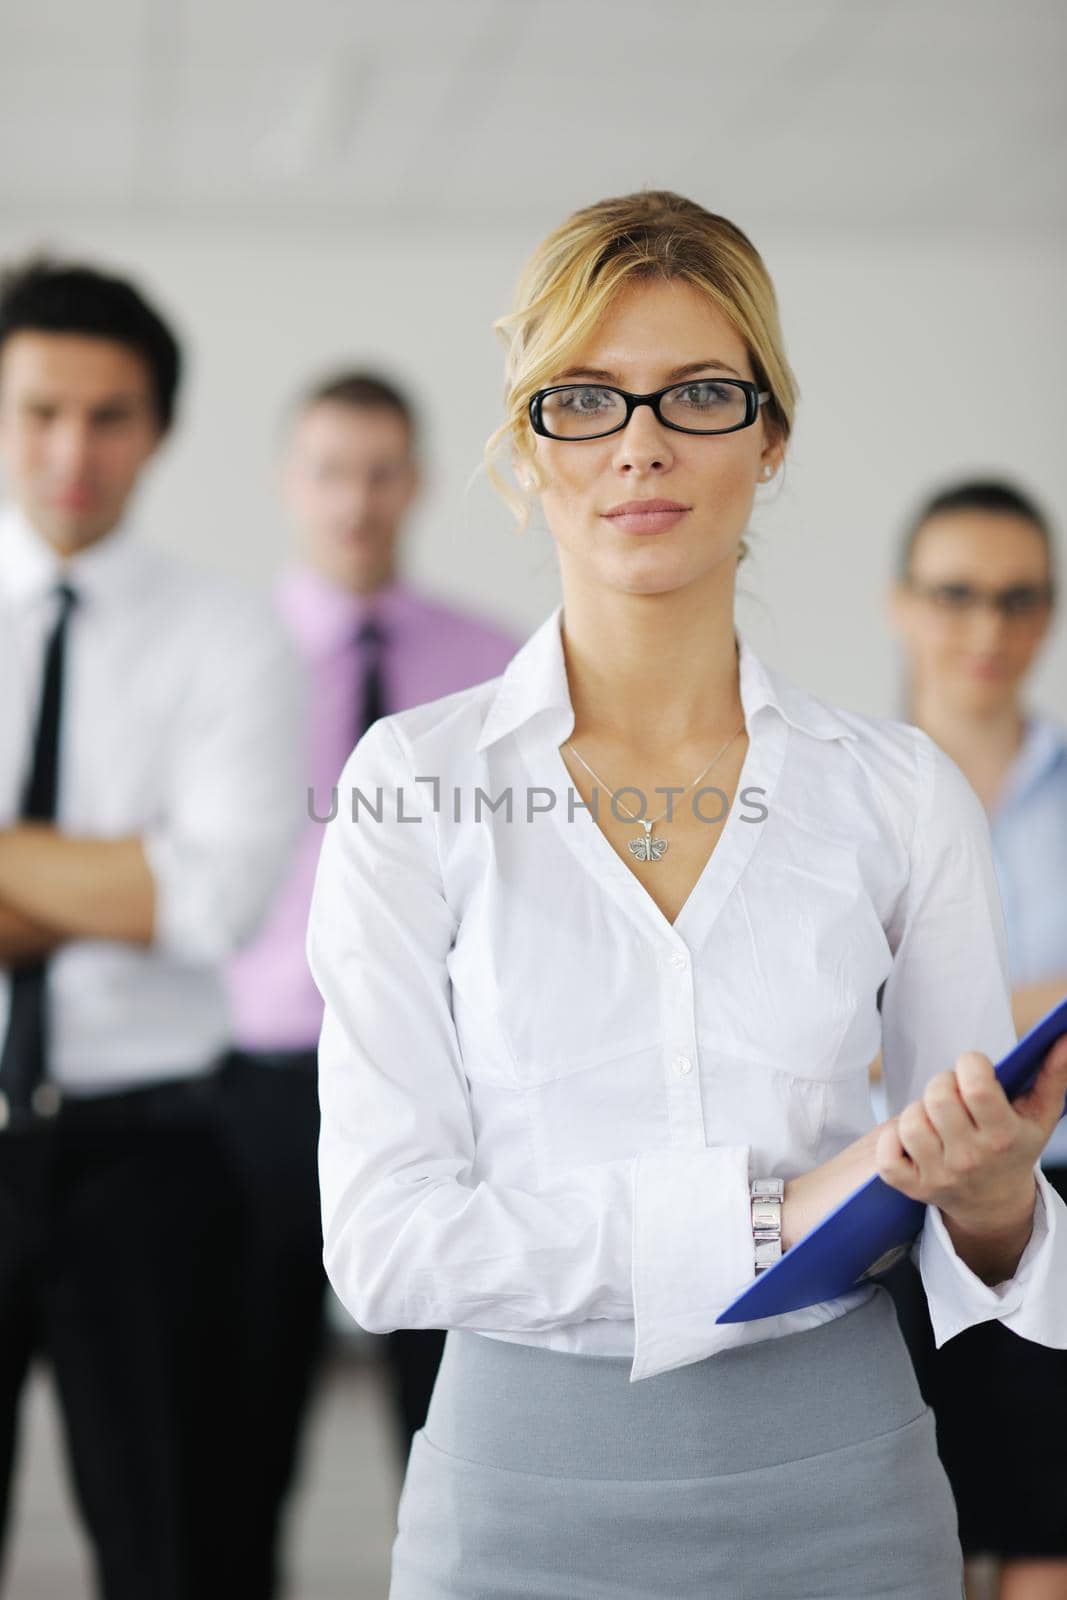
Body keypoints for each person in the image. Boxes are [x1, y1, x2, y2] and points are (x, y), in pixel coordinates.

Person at [305, 190, 1067, 1600]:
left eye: (699, 393)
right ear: (527, 445)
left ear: (769, 433)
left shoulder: (894, 796)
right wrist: (770, 1219)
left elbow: (972, 1221)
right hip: (512, 1498)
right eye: (584, 398)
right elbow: (386, 1243)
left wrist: (999, 1200)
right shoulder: (410, 784)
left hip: (845, 1483)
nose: (641, 443)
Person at [0, 258, 302, 1599]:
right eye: (40, 409)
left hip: (152, 1151)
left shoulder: (232, 637)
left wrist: (131, 885)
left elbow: (212, 898)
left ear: (159, 429)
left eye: (109, 415)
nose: (73, 450)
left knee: (175, 1549)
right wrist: (106, 877)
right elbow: (149, 882)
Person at [222, 369, 519, 1593]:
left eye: (380, 468)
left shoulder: (496, 662)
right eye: (330, 469)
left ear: (418, 480)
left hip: (446, 1089)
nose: (356, 499)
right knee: (235, 1433)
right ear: (292, 484)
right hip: (257, 1084)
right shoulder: (229, 659)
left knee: (444, 1426)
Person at [885, 479, 1067, 1600]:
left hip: (1063, 1206)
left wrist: (912, 1016)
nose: (985, 629)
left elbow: (866, 1018)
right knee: (915, 1548)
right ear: (899, 604)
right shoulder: (843, 796)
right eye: (954, 595)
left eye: (1016, 599)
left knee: (1049, 1550)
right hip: (887, 1228)